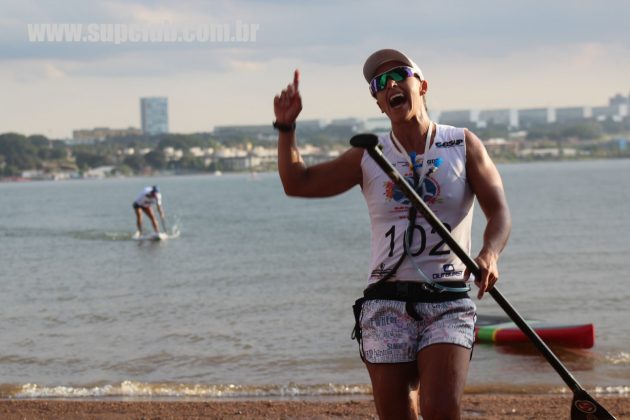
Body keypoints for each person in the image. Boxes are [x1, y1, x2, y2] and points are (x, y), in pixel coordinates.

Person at [274, 48, 511, 420]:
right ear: (379, 103)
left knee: (440, 410)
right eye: (379, 84)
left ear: (422, 85)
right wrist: (286, 129)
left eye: (399, 74)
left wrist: (490, 253)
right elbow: (297, 182)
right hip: (385, 301)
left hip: (447, 299)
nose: (391, 85)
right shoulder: (369, 155)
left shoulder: (462, 144)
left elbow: (499, 211)